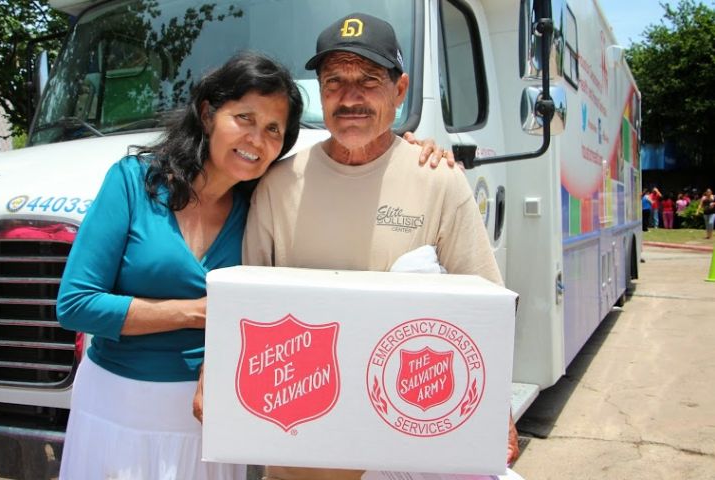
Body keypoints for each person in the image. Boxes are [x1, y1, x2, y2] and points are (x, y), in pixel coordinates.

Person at [241, 12, 519, 480]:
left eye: (369, 80)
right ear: (320, 91)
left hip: (402, 451)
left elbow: (486, 309)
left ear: (401, 90)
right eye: (334, 82)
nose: (350, 97)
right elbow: (248, 312)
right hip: (299, 451)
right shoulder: (278, 184)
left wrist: (496, 408)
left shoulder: (438, 180)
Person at [55, 52, 304, 480]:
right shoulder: (133, 182)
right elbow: (75, 305)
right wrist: (198, 312)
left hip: (211, 421)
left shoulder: (264, 206)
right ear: (208, 114)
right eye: (244, 117)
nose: (256, 139)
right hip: (117, 413)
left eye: (273, 129)